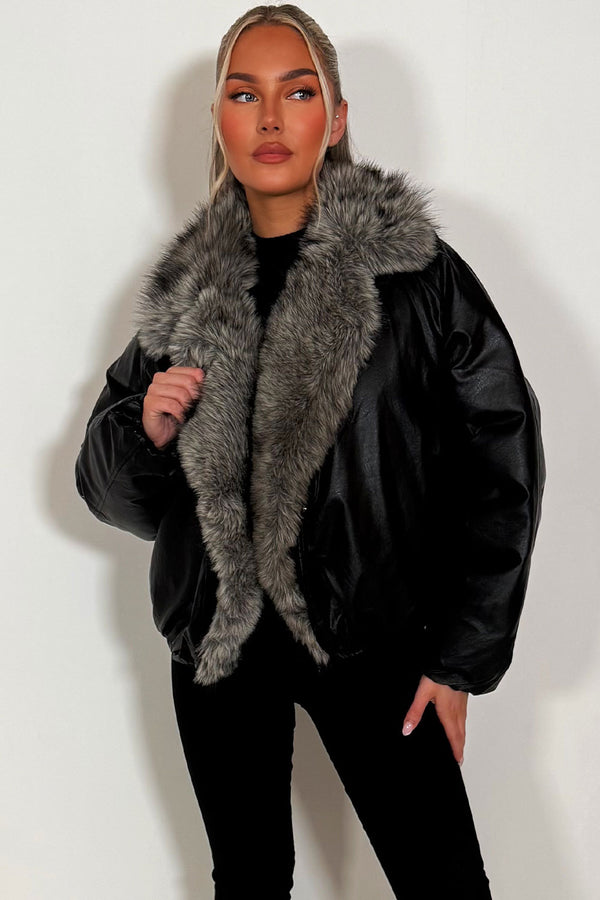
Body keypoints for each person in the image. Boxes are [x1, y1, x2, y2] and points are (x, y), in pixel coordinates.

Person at [75, 5, 545, 898]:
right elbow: (113, 497)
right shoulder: (188, 290)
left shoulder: (415, 274)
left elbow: (503, 458)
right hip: (220, 646)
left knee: (446, 881)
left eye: (296, 92)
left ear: (334, 116)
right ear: (218, 120)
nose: (269, 117)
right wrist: (146, 431)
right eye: (243, 94)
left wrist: (458, 658)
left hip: (377, 640)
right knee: (247, 882)